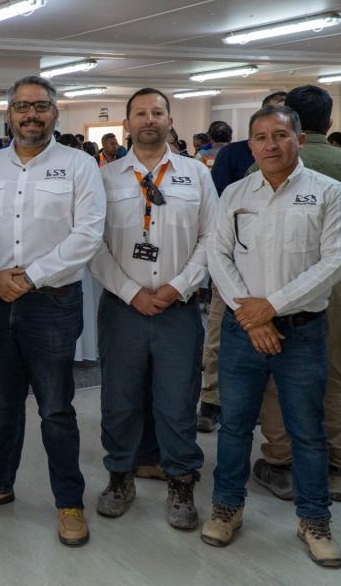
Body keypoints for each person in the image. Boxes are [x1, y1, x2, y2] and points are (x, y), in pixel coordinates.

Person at [203, 104, 341, 568]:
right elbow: (217, 255)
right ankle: (227, 507)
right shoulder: (235, 193)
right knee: (234, 426)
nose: (271, 144)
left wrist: (271, 306)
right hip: (242, 329)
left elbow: (335, 261)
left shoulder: (328, 192)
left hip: (301, 332)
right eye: (261, 137)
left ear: (299, 139)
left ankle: (314, 520)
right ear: (250, 145)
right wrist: (252, 316)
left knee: (306, 432)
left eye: (281, 135)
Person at [0, 75, 105, 547]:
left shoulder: (80, 165)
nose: (31, 115)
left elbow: (88, 234)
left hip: (53, 303)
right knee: (3, 402)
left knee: (56, 407)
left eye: (40, 106)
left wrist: (30, 277)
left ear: (55, 113)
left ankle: (69, 501)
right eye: (22, 107)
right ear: (8, 115)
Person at [90, 88, 217, 531]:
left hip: (177, 309)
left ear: (169, 121)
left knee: (177, 400)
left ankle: (181, 480)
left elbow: (212, 238)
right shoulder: (104, 178)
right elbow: (93, 244)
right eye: (140, 113)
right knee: (119, 400)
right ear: (127, 124)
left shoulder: (196, 175)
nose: (149, 119)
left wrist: (178, 287)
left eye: (157, 112)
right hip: (122, 308)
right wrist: (132, 292)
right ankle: (120, 476)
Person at [252, 85, 341, 505]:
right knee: (338, 369)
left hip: (277, 280)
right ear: (329, 121)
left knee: (279, 367)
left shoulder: (265, 162)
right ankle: (339, 467)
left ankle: (281, 461)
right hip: (337, 281)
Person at [200, 91, 283, 434]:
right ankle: (211, 400)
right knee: (219, 335)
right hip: (234, 267)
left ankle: (264, 410)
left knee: (280, 343)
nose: (271, 143)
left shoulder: (310, 176)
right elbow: (217, 207)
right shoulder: (234, 156)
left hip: (284, 277)